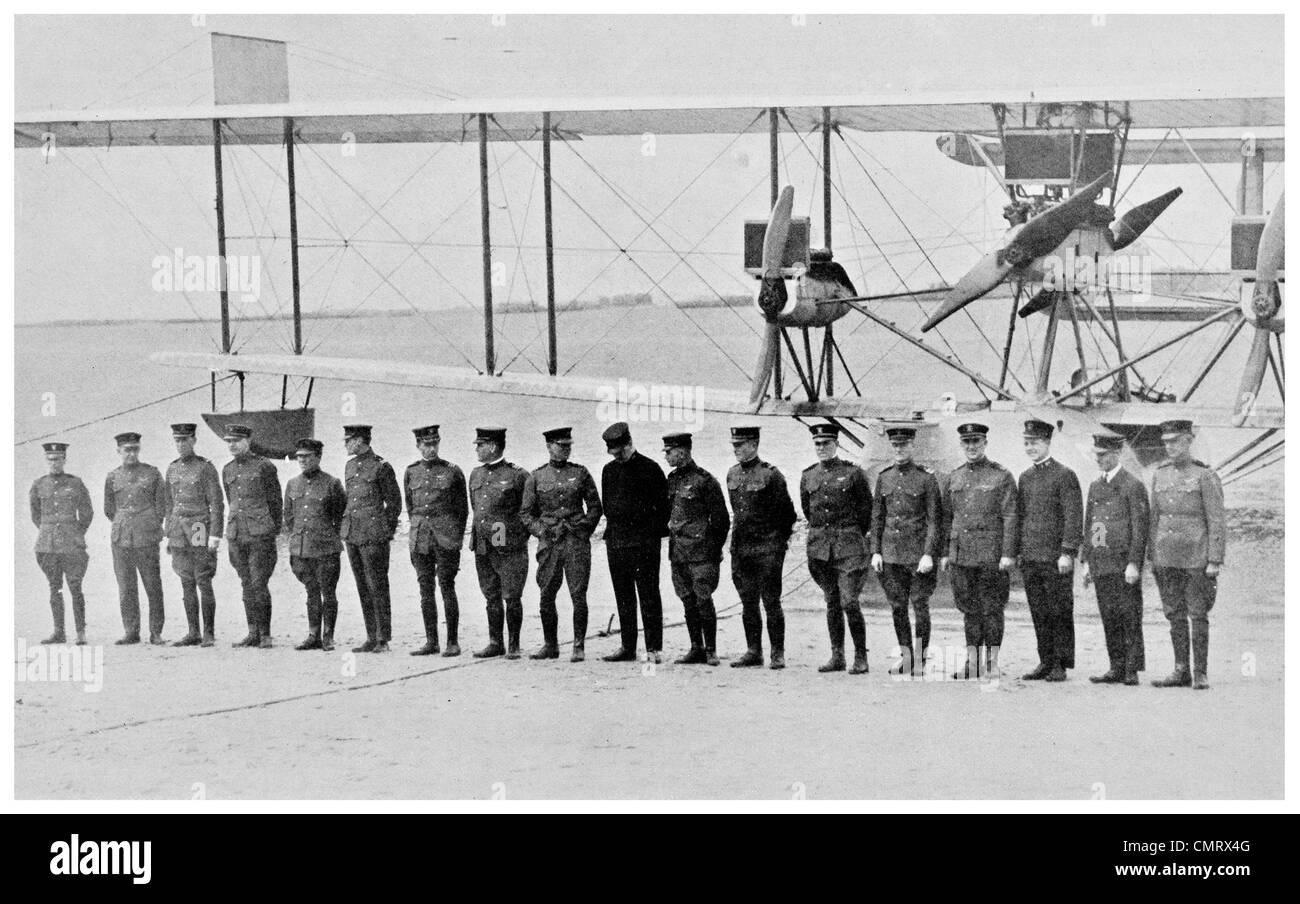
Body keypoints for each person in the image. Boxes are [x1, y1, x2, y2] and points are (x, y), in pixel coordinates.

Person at [1149, 419, 1225, 690]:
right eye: (1166, 442)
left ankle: (1200, 672)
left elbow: (1216, 519)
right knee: (1174, 613)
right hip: (1166, 556)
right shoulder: (1160, 474)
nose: (1170, 447)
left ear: (1188, 441)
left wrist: (1214, 559)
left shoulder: (1204, 475)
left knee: (1198, 613)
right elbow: (1154, 519)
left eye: (1175, 441)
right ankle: (1180, 670)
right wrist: (1152, 557)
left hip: (1196, 556)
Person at [940, 423, 1017, 680]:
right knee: (969, 610)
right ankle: (972, 663)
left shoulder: (1001, 476)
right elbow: (946, 518)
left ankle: (992, 663)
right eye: (967, 443)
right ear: (961, 445)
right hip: (962, 555)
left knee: (992, 609)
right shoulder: (954, 477)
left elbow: (1010, 516)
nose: (971, 447)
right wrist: (945, 554)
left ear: (985, 443)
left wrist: (1007, 553)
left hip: (991, 556)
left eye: (976, 442)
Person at [520, 426, 602, 661]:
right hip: (549, 544)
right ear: (549, 447)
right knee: (546, 593)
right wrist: (541, 532)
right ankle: (550, 645)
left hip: (575, 542)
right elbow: (526, 514)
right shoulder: (535, 477)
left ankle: (578, 646)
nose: (565, 450)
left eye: (568, 446)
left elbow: (595, 507)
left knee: (578, 594)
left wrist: (584, 529)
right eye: (560, 446)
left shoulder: (581, 473)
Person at [800, 423, 872, 674]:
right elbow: (809, 512)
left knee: (849, 601)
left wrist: (852, 536)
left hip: (849, 547)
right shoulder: (808, 475)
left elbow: (866, 512)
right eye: (817, 444)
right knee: (832, 602)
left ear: (836, 444)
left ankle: (861, 657)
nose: (821, 448)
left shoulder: (853, 474)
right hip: (821, 550)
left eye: (826, 443)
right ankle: (837, 656)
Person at [870, 426, 942, 677]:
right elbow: (877, 517)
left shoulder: (926, 478)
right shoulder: (885, 477)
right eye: (895, 446)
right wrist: (876, 551)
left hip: (917, 556)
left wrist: (928, 554)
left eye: (904, 445)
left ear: (912, 446)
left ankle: (920, 659)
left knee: (920, 606)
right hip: (891, 555)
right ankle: (907, 657)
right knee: (897, 607)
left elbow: (934, 520)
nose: (899, 450)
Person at [1016, 419, 1082, 682]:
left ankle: (1060, 664)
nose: (1030, 447)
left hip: (1056, 559)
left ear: (1047, 443)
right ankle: (1045, 660)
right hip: (1032, 557)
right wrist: (1020, 551)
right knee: (1039, 611)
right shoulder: (1025, 477)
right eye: (1027, 443)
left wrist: (1068, 552)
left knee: (1059, 610)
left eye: (1035, 442)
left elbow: (1073, 516)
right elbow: (1022, 517)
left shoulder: (1065, 475)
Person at [1081, 432, 1148, 686]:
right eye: (1096, 455)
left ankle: (1131, 669)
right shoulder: (1096, 486)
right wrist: (1087, 560)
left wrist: (1134, 562)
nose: (1098, 460)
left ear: (1116, 454)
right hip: (1102, 563)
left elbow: (1139, 528)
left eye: (1103, 456)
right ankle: (1116, 666)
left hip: (1123, 565)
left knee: (1129, 615)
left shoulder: (1133, 485)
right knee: (1109, 616)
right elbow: (1092, 525)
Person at [726, 426, 796, 670]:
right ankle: (753, 651)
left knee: (771, 601)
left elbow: (788, 515)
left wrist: (777, 545)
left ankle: (777, 653)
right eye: (734, 445)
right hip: (741, 550)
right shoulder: (732, 474)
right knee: (747, 603)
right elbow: (737, 513)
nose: (735, 449)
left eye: (740, 445)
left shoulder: (771, 475)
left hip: (767, 550)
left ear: (754, 445)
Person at [599, 421, 669, 663]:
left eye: (620, 452)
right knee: (624, 596)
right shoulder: (608, 471)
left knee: (649, 595)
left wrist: (646, 534)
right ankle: (628, 647)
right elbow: (607, 507)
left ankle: (653, 649)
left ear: (629, 443)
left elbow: (663, 510)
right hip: (616, 544)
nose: (617, 457)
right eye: (613, 453)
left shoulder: (651, 469)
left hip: (644, 545)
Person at [663, 432, 729, 666]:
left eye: (670, 452)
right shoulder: (671, 480)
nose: (667, 456)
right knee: (687, 600)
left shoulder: (705, 480)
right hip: (678, 552)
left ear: (682, 451)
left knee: (703, 599)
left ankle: (711, 650)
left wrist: (713, 548)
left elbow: (721, 520)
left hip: (701, 553)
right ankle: (696, 647)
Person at [404, 425, 468, 657]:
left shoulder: (452, 471)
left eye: (434, 444)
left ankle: (452, 641)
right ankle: (431, 641)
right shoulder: (411, 472)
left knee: (447, 587)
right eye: (426, 444)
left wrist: (455, 539)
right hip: (420, 539)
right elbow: (411, 508)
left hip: (446, 539)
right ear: (418, 445)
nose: (431, 449)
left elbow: (462, 510)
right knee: (425, 590)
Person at [468, 426, 530, 659]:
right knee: (490, 594)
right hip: (483, 543)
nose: (477, 449)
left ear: (493, 446)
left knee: (511, 595)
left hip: (508, 545)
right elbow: (476, 508)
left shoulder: (518, 475)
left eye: (480, 445)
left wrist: (511, 538)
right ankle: (496, 642)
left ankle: (513, 645)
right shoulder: (476, 474)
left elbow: (527, 512)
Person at [340, 424, 402, 653]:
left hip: (374, 535)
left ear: (359, 440)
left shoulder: (381, 466)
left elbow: (394, 503)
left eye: (348, 440)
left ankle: (382, 638)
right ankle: (370, 636)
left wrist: (385, 531)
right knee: (362, 585)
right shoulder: (349, 465)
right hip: (353, 534)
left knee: (377, 585)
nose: (345, 444)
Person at [163, 423, 224, 647]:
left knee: (203, 579)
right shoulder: (171, 469)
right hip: (178, 530)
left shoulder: (205, 468)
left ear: (194, 441)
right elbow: (169, 505)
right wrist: (168, 533)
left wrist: (215, 534)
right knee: (185, 581)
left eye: (185, 440)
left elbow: (216, 504)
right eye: (177, 441)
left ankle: (208, 633)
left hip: (199, 527)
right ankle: (193, 632)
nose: (181, 445)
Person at [284, 438, 347, 652]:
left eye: (307, 456)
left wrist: (326, 534)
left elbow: (340, 515)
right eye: (299, 456)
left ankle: (328, 637)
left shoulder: (332, 483)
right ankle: (313, 635)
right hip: (302, 549)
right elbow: (290, 517)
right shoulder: (292, 484)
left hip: (326, 548)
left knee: (328, 592)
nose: (302, 460)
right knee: (311, 591)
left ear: (318, 457)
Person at [222, 424, 283, 648]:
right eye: (228, 441)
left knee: (259, 583)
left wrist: (271, 530)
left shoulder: (264, 466)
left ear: (248, 441)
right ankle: (252, 632)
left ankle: (265, 634)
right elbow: (231, 501)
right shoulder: (227, 469)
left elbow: (276, 502)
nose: (232, 445)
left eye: (236, 441)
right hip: (237, 534)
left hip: (260, 534)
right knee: (245, 583)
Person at [105, 431, 167, 645]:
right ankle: (131, 631)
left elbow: (162, 506)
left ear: (139, 450)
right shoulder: (112, 477)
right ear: (119, 451)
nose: (131, 453)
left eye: (134, 449)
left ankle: (156, 632)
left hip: (146, 538)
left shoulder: (152, 474)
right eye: (126, 450)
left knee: (153, 586)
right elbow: (109, 509)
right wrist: (125, 523)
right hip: (121, 540)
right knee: (126, 587)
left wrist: (148, 525)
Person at [30, 442, 93, 645]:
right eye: (50, 459)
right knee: (54, 587)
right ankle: (59, 631)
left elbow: (86, 512)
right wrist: (48, 531)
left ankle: (81, 632)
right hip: (48, 546)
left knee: (75, 586)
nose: (54, 463)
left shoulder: (75, 483)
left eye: (58, 459)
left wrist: (76, 532)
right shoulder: (38, 484)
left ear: (65, 460)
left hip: (72, 545)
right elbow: (36, 516)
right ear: (46, 460)